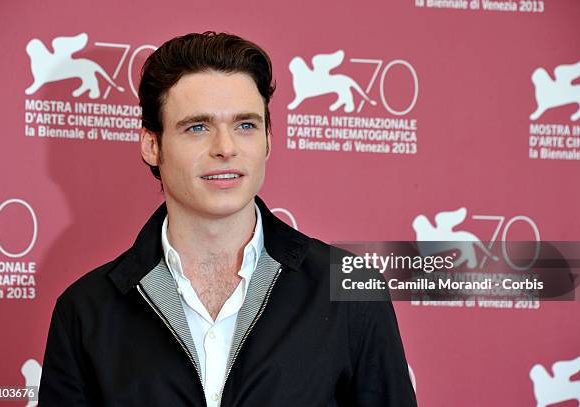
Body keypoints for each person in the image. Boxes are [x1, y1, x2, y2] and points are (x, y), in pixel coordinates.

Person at [38, 31, 417, 407]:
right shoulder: (85, 311)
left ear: (268, 139)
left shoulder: (350, 288)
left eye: (245, 125)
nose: (225, 148)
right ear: (152, 145)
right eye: (198, 127)